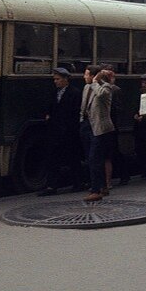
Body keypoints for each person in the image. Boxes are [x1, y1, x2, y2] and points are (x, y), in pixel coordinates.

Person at [38, 68, 83, 196]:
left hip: (69, 132)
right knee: (53, 159)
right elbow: (50, 107)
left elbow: (75, 112)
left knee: (73, 158)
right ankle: (52, 186)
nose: (55, 82)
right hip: (55, 131)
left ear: (65, 79)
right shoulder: (54, 93)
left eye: (57, 79)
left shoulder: (74, 93)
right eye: (54, 79)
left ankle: (77, 183)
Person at [79, 65, 114, 202]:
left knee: (95, 158)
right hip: (87, 125)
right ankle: (103, 186)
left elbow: (100, 95)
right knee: (90, 158)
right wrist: (81, 119)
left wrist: (95, 82)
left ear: (94, 76)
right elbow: (84, 105)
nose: (84, 77)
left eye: (86, 74)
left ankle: (96, 190)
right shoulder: (86, 87)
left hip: (99, 128)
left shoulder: (106, 87)